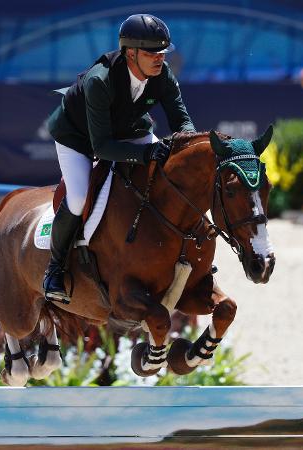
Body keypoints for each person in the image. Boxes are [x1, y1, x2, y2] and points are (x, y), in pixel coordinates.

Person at [44, 13, 196, 302]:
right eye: (152, 52)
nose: (159, 58)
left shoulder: (161, 74)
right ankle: (55, 268)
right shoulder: (99, 81)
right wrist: (146, 152)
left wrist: (191, 146)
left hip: (128, 130)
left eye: (162, 52)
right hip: (78, 137)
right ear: (131, 53)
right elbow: (102, 148)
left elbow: (182, 121)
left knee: (164, 176)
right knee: (77, 198)